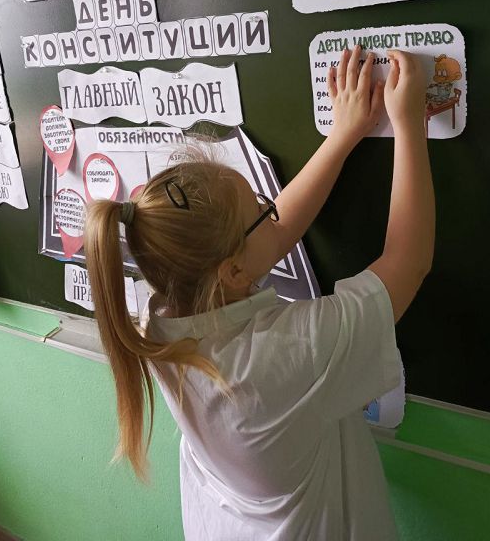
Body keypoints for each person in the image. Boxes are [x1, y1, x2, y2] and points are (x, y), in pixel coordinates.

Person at [84, 47, 435, 540]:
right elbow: (408, 263)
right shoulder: (282, 356)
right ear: (230, 270)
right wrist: (409, 122)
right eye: (262, 211)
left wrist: (344, 134)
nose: (274, 211)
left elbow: (268, 237)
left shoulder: (161, 319)